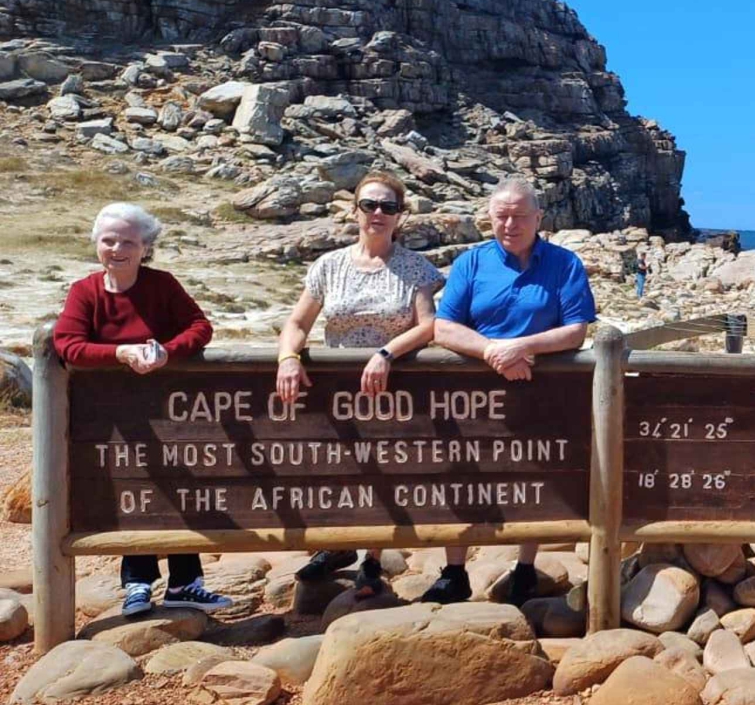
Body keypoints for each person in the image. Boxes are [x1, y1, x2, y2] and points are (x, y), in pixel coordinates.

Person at [53, 203, 233, 617]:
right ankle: (137, 585)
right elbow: (67, 343)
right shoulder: (85, 291)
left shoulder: (162, 285)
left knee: (182, 489)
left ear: (145, 247)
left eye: (128, 242)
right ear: (96, 243)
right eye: (109, 240)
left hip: (170, 412)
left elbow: (200, 327)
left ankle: (186, 583)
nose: (118, 248)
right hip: (111, 418)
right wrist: (120, 352)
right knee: (132, 493)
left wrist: (167, 352)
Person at [424, 178, 596, 604]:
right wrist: (493, 352)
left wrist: (523, 347)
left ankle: (525, 566)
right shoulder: (472, 262)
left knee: (538, 474)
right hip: (476, 391)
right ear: (490, 216)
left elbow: (577, 329)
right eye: (501, 215)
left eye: (519, 215)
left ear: (538, 218)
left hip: (541, 389)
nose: (509, 223)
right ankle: (454, 570)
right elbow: (444, 327)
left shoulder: (564, 264)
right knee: (461, 474)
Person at [274, 172, 443, 598]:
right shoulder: (329, 266)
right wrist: (289, 358)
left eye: (389, 207)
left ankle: (372, 558)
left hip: (392, 384)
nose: (379, 214)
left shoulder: (416, 269)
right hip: (338, 388)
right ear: (355, 211)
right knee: (336, 468)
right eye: (370, 205)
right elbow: (298, 322)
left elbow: (428, 326)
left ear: (401, 216)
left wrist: (387, 353)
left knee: (383, 471)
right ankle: (336, 545)